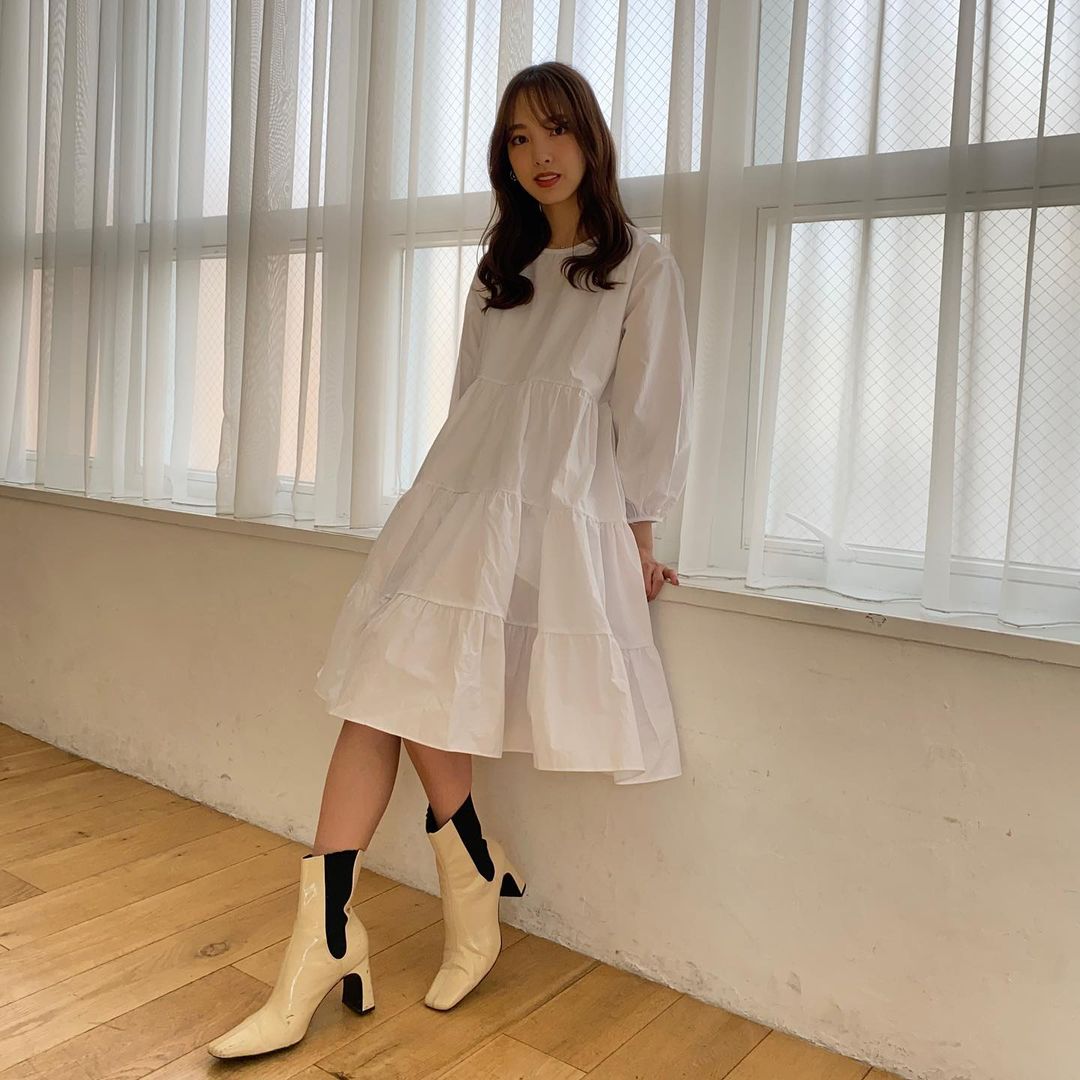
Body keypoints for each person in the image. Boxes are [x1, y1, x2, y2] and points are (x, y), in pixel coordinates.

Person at [208, 59, 694, 1059]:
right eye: (518, 138)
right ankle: (419, 895)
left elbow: (651, 411)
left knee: (393, 691)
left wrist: (641, 534)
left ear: (591, 138)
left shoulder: (640, 266)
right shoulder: (497, 272)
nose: (539, 153)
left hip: (551, 513)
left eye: (555, 130)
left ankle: (379, 921)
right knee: (381, 692)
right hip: (462, 496)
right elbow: (471, 400)